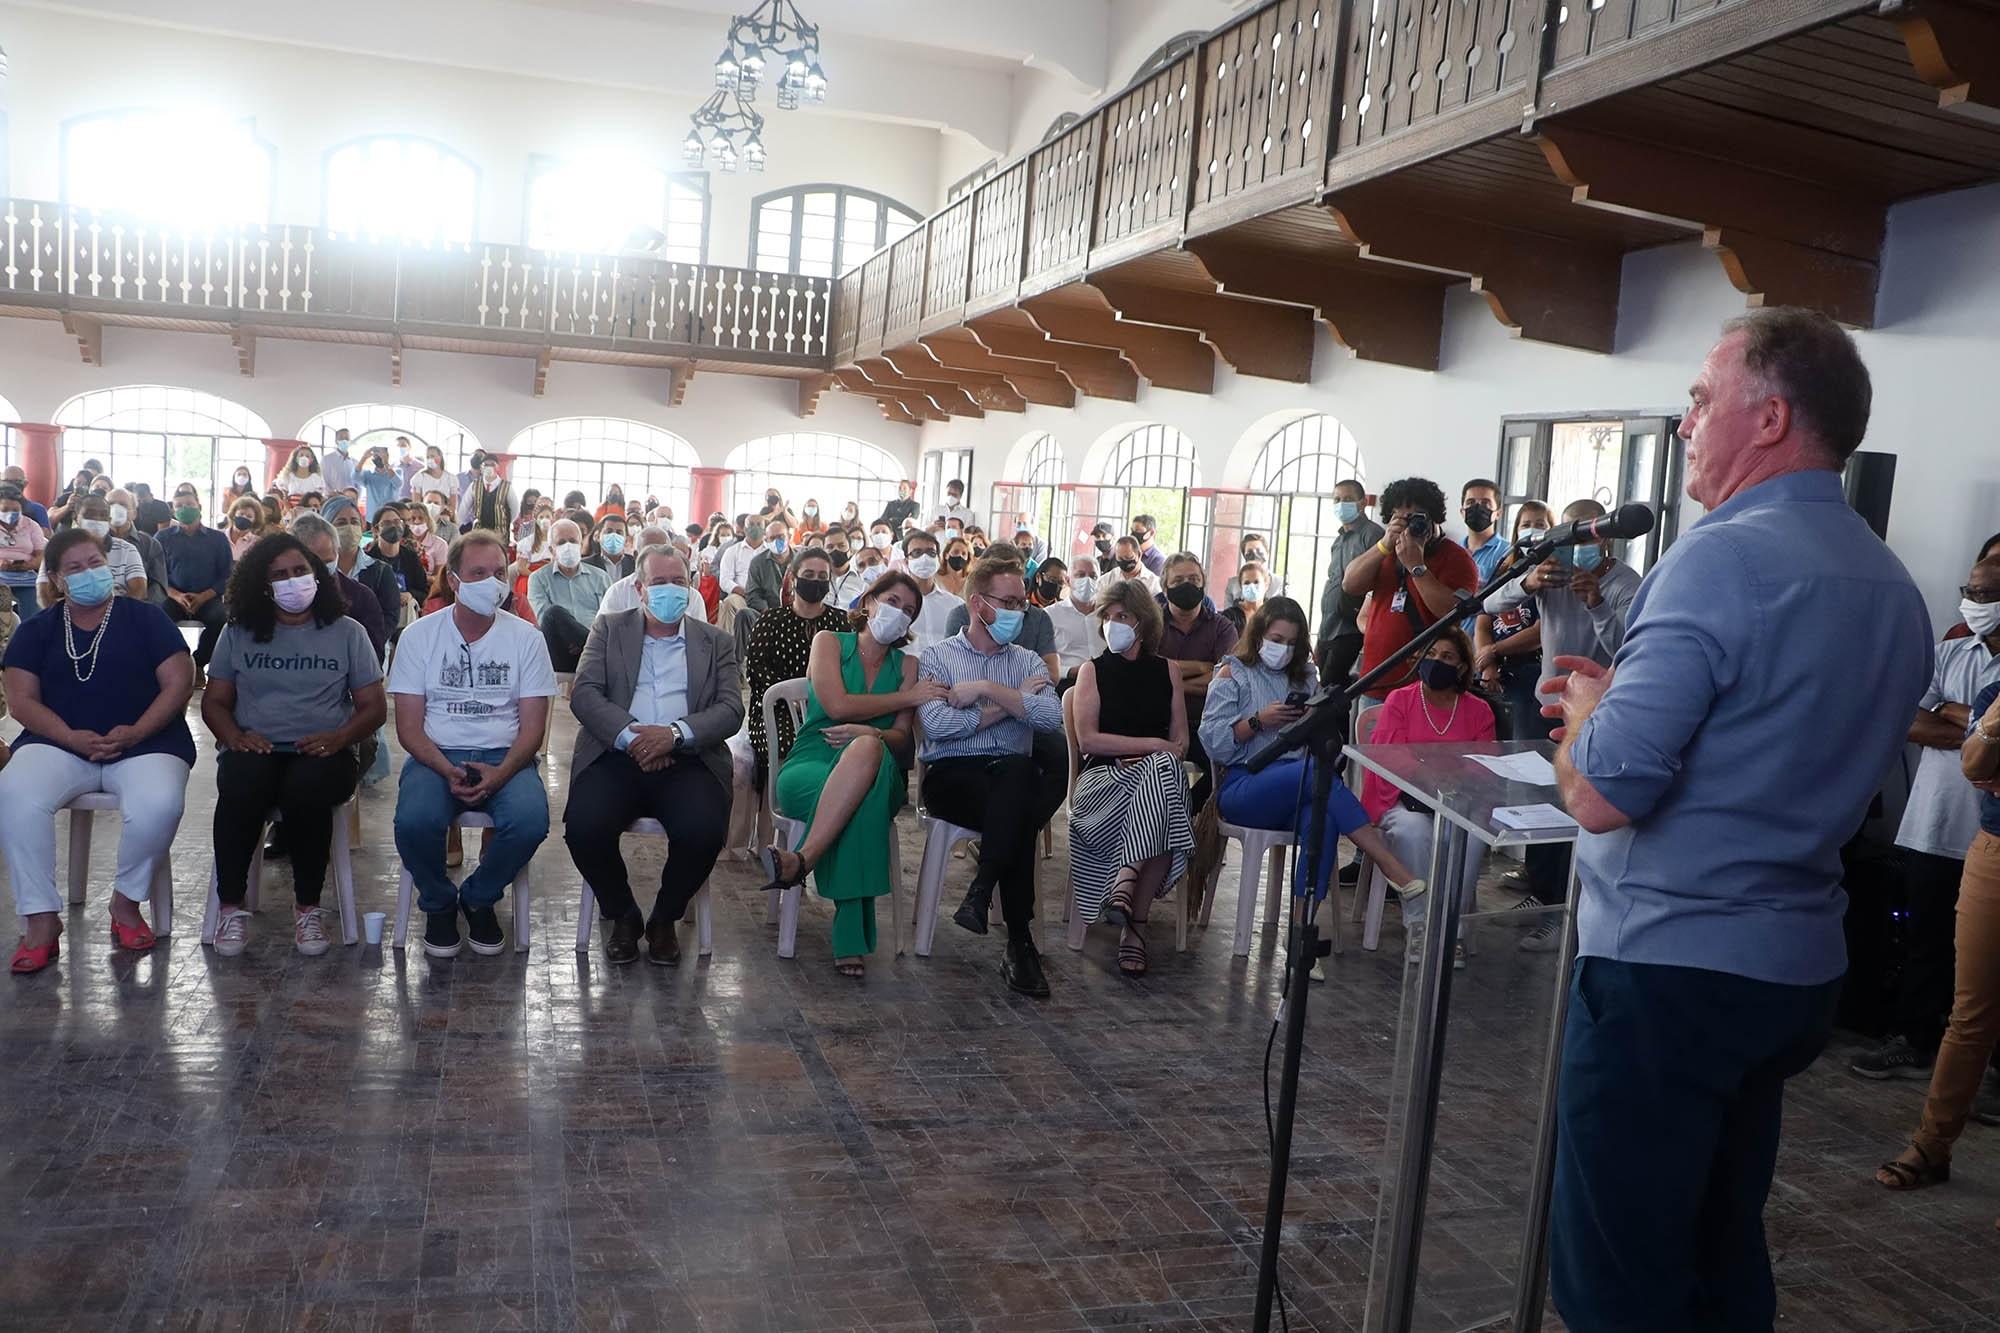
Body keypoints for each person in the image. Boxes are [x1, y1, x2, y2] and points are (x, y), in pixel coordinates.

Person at [1543, 308, 1931, 1330]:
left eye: (1698, 400)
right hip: (1791, 964)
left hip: (1667, 968)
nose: (1681, 424)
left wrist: (1586, 716)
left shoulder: (1716, 559)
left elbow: (1597, 795)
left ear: (1767, 418)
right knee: (1718, 1253)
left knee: (1619, 1277)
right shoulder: (1888, 584)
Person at [0, 528, 195, 973]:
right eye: (75, 568)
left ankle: (126, 902)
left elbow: (178, 683)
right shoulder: (37, 630)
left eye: (95, 562)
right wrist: (69, 737)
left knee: (160, 802)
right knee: (14, 791)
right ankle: (40, 919)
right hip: (58, 743)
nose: (89, 573)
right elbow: (22, 701)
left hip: (147, 743)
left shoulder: (146, 619)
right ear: (56, 579)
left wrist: (136, 731)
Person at [1200, 595, 1426, 978]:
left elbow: (1324, 743)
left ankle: (1302, 936)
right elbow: (1215, 744)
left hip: (1299, 784)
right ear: (1258, 636)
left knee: (1319, 816)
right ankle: (1387, 861)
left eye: (1291, 643)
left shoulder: (1305, 677)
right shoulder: (1232, 673)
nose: (1283, 649)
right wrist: (1258, 721)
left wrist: (1311, 721)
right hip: (1244, 786)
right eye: (1276, 638)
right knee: (1313, 776)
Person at [202, 532, 386, 957]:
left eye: (299, 571)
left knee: (307, 790)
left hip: (326, 750)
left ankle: (307, 907)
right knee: (240, 784)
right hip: (256, 746)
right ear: (262, 584)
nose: (291, 581)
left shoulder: (347, 632)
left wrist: (339, 737)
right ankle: (231, 906)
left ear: (317, 575)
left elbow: (373, 707)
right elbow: (214, 701)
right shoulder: (239, 632)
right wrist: (233, 737)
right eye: (279, 575)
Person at [1854, 555, 2000, 1081]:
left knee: (1986, 958)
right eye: (1972, 591)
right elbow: (1908, 721)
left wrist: (1953, 715)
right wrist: (1981, 730)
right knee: (1925, 940)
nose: (1973, 603)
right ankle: (1913, 1041)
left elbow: (1936, 719)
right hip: (1932, 823)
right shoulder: (1947, 652)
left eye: (1985, 596)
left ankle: (1989, 1069)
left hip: (1989, 834)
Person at [566, 546, 744, 964]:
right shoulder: (609, 629)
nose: (670, 591)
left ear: (692, 586)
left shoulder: (715, 641)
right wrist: (635, 738)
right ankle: (622, 912)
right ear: (640, 588)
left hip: (689, 760)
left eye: (678, 582)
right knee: (584, 828)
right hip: (615, 755)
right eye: (659, 583)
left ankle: (664, 917)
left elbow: (731, 709)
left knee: (703, 831)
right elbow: (585, 694)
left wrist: (675, 736)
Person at [761, 572, 941, 978]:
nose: (899, 613)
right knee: (858, 802)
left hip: (879, 770)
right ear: (869, 601)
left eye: (909, 611)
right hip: (812, 760)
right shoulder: (829, 642)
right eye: (892, 601)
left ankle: (801, 860)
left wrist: (869, 732)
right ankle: (848, 935)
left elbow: (898, 736)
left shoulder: (907, 665)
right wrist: (905, 698)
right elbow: (837, 706)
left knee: (866, 752)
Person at [1482, 496, 1641, 951]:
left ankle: (1567, 913)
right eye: (1571, 534)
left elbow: (1629, 647)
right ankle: (1544, 891)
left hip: (1595, 716)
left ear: (1605, 537)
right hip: (1546, 703)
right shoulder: (1549, 574)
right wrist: (1528, 583)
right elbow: (1491, 603)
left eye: (1589, 534)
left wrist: (1595, 603)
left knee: (1574, 811)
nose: (1580, 544)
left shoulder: (1625, 582)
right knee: (1540, 801)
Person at [389, 531, 556, 957]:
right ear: (455, 580)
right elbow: (409, 729)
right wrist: (447, 769)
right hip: (435, 754)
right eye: (479, 573)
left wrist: (501, 774)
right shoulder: (419, 636)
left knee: (530, 821)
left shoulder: (527, 639)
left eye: (499, 572)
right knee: (415, 822)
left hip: (506, 756)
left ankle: (480, 896)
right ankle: (439, 902)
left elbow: (533, 729)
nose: (493, 582)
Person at [1873, 649, 2000, 1197]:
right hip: (1994, 854)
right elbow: (1976, 766)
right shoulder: (1995, 693)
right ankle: (1931, 1144)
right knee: (1971, 1011)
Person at [917, 556, 1066, 997]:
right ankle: (1019, 942)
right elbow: (937, 725)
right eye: (1011, 601)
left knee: (1017, 780)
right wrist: (1011, 704)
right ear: (979, 604)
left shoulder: (1026, 660)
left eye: (1023, 602)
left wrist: (984, 691)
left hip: (1007, 774)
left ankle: (984, 895)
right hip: (952, 776)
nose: (1021, 610)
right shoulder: (938, 657)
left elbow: (1050, 716)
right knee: (1019, 797)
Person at [1068, 577, 1195, 977]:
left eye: (1122, 615)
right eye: (1107, 616)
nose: (1112, 623)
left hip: (1153, 778)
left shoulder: (1168, 671)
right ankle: (1134, 930)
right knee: (1165, 785)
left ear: (1142, 621)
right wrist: (1148, 748)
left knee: (1162, 777)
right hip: (1102, 782)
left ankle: (1126, 889)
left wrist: (1149, 755)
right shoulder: (1092, 671)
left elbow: (1180, 743)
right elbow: (1089, 740)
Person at [1361, 628, 1498, 967]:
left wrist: (1454, 779)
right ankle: (1420, 926)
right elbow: (1387, 754)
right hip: (1404, 798)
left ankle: (1451, 932)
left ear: (1463, 668)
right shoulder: (1400, 700)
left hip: (1458, 800)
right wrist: (1426, 774)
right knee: (1414, 831)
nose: (1436, 662)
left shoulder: (1479, 710)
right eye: (1431, 655)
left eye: (1447, 657)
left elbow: (1487, 764)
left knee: (1468, 834)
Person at [1342, 476, 1479, 700]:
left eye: (1416, 517)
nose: (1409, 524)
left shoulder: (1457, 559)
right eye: (1400, 517)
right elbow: (1350, 584)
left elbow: (1451, 612)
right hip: (1374, 681)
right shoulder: (1386, 551)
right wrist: (1384, 545)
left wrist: (1416, 566)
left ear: (1434, 517)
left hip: (1424, 686)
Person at [744, 546, 845, 788]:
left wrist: (821, 704)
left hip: (830, 711)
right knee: (786, 742)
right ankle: (781, 803)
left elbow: (848, 671)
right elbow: (757, 672)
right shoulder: (771, 621)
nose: (815, 582)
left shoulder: (841, 622)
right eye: (808, 575)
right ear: (793, 577)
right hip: (778, 711)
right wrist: (796, 702)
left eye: (822, 577)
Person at [1159, 553, 1238, 813]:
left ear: (1203, 584)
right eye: (1179, 580)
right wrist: (1202, 668)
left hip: (1207, 724)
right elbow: (1149, 675)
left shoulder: (1222, 628)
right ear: (1165, 587)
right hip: (1158, 724)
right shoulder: (1151, 625)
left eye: (1194, 579)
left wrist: (1170, 678)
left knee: (1232, 770)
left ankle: (1182, 816)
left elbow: (1224, 681)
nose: (1187, 585)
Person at [1473, 501, 1555, 738]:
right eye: (1526, 524)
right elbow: (1483, 620)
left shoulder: (1552, 571)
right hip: (1494, 670)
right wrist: (1487, 665)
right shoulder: (1505, 570)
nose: (1532, 529)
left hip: (1531, 671)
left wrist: (1494, 650)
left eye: (1540, 524)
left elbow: (1540, 632)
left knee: (1521, 743)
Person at [156, 489, 233, 686]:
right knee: (158, 619)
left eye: (189, 504)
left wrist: (203, 596)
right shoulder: (162, 538)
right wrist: (177, 595)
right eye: (179, 506)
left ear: (199, 507)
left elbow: (226, 574)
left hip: (207, 597)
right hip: (173, 597)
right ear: (173, 510)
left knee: (220, 619)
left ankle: (198, 663)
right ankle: (175, 664)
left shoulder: (217, 539)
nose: (185, 509)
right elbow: (156, 573)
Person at [293, 513, 388, 663]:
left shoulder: (360, 597)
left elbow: (373, 660)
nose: (320, 570)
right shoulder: (282, 596)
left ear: (337, 552)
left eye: (327, 562)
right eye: (311, 564)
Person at [1317, 478, 1383, 686]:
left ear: (1362, 503)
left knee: (1332, 690)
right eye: (1336, 499)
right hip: (1328, 626)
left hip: (1350, 629)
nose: (1341, 504)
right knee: (1324, 688)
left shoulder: (1372, 535)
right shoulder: (1339, 540)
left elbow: (1379, 578)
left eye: (1347, 499)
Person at [526, 517, 612, 674]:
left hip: (596, 644)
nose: (568, 547)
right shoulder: (538, 578)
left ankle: (591, 647)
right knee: (553, 614)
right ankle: (593, 648)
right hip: (561, 650)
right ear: (552, 550)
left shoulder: (600, 577)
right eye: (561, 542)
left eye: (573, 541)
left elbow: (608, 618)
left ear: (580, 545)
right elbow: (544, 619)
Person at [323, 497, 400, 643]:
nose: (350, 528)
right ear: (327, 527)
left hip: (370, 647)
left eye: (354, 522)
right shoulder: (318, 570)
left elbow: (390, 616)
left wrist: (365, 642)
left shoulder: (381, 571)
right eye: (341, 523)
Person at [62, 495, 149, 603]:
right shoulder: (60, 549)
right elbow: (46, 593)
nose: (97, 520)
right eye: (89, 515)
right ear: (75, 518)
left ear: (109, 520)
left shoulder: (127, 549)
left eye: (103, 515)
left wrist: (111, 612)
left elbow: (139, 591)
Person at [1039, 560, 1103, 681]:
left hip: (1104, 680)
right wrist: (1069, 671)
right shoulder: (1049, 615)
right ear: (1067, 580)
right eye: (1080, 575)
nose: (1088, 581)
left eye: (1093, 576)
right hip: (1066, 681)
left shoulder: (1108, 614)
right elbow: (1040, 660)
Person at [901, 530, 962, 649]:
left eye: (931, 553)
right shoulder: (897, 604)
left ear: (938, 560)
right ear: (906, 562)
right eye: (917, 552)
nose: (924, 558)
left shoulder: (955, 605)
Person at [0, 484, 46, 619]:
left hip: (25, 575)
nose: (10, 513)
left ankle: (28, 634)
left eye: (15, 510)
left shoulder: (31, 525)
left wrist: (30, 564)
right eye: (5, 509)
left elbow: (40, 554)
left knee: (32, 600)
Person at [1458, 477, 1509, 595]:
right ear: (1462, 512)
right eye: (1470, 502)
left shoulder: (1508, 552)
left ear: (1498, 513)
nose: (1477, 507)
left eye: (1485, 503)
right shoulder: (1452, 551)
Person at [715, 518, 766, 633]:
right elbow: (725, 580)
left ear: (764, 529)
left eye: (759, 524)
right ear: (744, 528)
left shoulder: (770, 551)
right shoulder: (732, 551)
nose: (755, 527)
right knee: (729, 603)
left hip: (765, 597)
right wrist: (741, 591)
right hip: (742, 596)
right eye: (751, 524)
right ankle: (728, 647)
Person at [457, 456, 515, 536]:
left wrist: (504, 523)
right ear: (481, 468)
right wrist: (460, 525)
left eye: (492, 464)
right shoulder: (474, 485)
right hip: (479, 532)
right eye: (486, 465)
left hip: (500, 533)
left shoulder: (506, 486)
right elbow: (464, 507)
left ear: (498, 467)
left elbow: (515, 509)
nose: (489, 467)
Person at [745, 518, 793, 614]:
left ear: (789, 537)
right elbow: (752, 594)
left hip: (798, 612)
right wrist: (768, 613)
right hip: (768, 613)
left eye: (781, 537)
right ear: (766, 540)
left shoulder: (802, 560)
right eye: (772, 538)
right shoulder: (757, 563)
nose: (776, 541)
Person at [1223, 533, 1283, 609]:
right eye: (1249, 552)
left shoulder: (1279, 583)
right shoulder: (1233, 584)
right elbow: (1226, 615)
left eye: (1259, 551)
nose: (1255, 555)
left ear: (1267, 553)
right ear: (1244, 556)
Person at [1223, 559, 1269, 633]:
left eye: (1256, 582)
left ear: (1266, 585)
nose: (1251, 586)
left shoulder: (1273, 615)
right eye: (1247, 583)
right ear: (1241, 587)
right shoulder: (1229, 617)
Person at [407, 498, 450, 577]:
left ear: (428, 520)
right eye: (412, 519)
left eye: (421, 518)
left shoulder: (440, 544)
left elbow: (439, 577)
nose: (417, 522)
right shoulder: (401, 542)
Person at [585, 512, 633, 582]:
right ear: (598, 536)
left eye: (619, 532)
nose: (614, 535)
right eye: (609, 531)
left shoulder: (635, 564)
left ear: (626, 539)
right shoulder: (586, 565)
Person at [358, 447, 401, 520]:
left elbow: (398, 483)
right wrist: (363, 458)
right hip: (372, 517)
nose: (379, 458)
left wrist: (386, 463)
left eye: (381, 455)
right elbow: (355, 477)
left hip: (391, 516)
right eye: (376, 455)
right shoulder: (368, 474)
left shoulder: (397, 471)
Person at [225, 495, 267, 561]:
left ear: (255, 521)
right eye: (241, 514)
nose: (244, 518)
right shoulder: (219, 536)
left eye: (249, 516)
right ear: (233, 514)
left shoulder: (257, 543)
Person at [935, 535, 973, 600]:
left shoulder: (971, 581)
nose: (960, 556)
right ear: (946, 555)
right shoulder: (935, 578)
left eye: (964, 554)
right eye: (956, 552)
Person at [321, 428, 358, 494]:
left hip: (352, 499)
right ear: (336, 441)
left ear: (350, 441)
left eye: (347, 438)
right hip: (333, 499)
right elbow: (324, 481)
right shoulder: (326, 459)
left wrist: (356, 497)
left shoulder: (355, 462)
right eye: (341, 438)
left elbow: (359, 484)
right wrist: (332, 495)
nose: (344, 440)